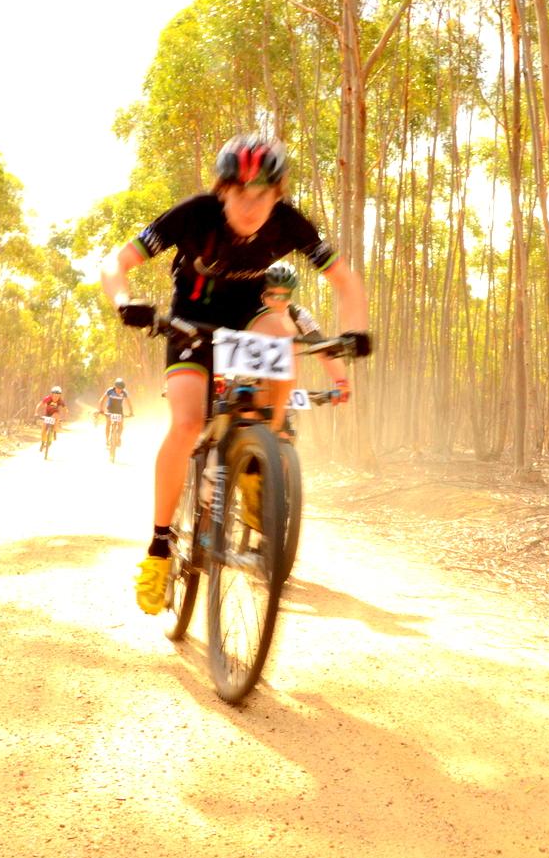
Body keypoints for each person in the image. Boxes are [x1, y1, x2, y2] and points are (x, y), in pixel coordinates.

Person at [100, 133, 372, 614]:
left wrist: (356, 332)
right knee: (186, 423)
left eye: (263, 194)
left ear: (278, 194)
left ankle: (255, 458)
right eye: (241, 193)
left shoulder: (289, 223)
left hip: (249, 314)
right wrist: (125, 301)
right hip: (191, 318)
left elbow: (344, 277)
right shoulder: (193, 213)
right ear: (222, 191)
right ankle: (160, 546)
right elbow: (116, 262)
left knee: (281, 336)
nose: (252, 205)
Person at [255, 261, 350, 418]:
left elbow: (323, 348)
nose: (277, 301)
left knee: (286, 433)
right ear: (262, 293)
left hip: (280, 389)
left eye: (284, 296)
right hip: (246, 383)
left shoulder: (298, 315)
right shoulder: (251, 311)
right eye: (271, 295)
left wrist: (341, 382)